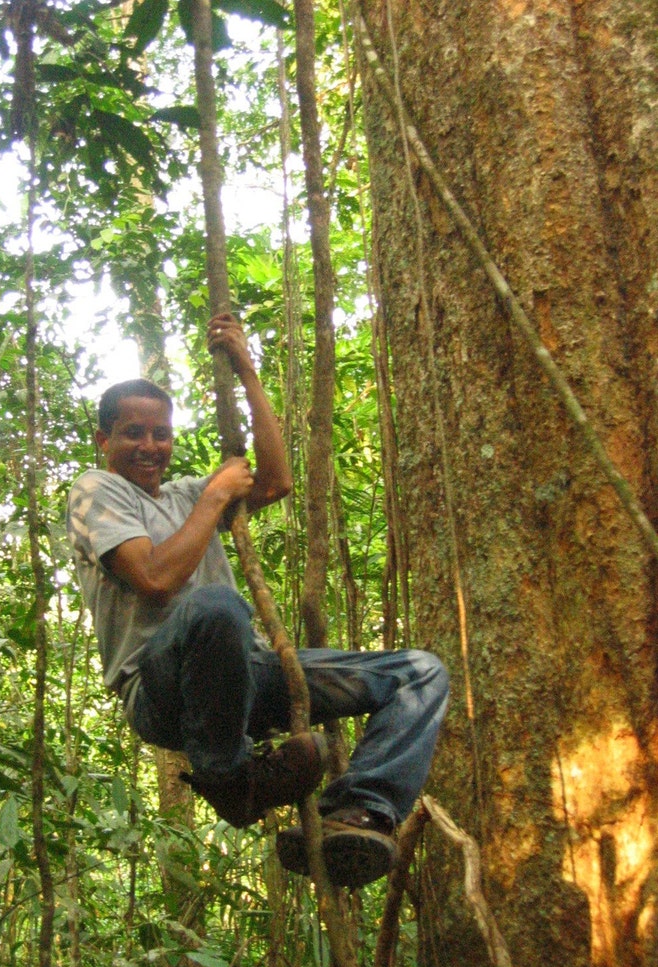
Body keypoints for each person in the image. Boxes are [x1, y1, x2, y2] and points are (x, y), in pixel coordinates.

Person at [67, 312, 448, 889]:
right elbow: (153, 577)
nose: (150, 446)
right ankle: (228, 774)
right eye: (132, 433)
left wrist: (247, 372)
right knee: (216, 604)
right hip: (162, 691)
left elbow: (274, 482)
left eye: (160, 434)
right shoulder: (97, 490)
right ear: (104, 440)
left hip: (247, 679)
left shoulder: (186, 495)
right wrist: (215, 496)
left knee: (420, 673)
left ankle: (357, 811)